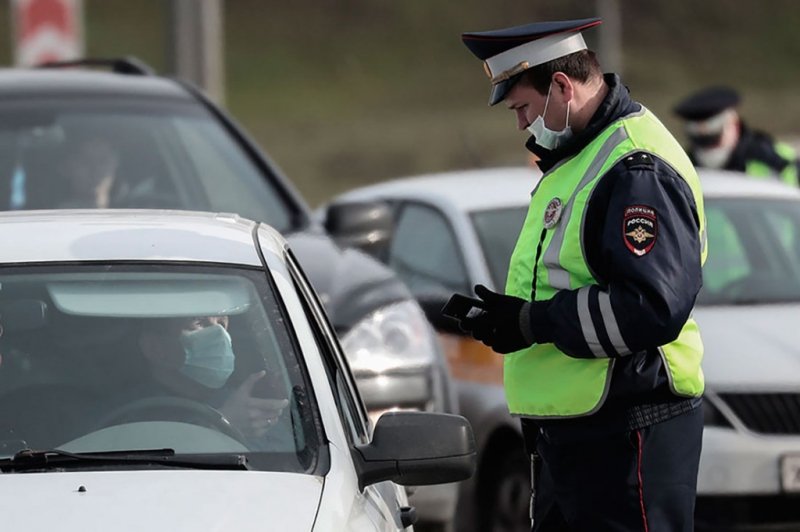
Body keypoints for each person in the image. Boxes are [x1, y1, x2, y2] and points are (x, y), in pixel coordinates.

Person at [457, 18, 706, 531]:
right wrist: (509, 319)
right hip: (578, 439)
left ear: (562, 87)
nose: (522, 124)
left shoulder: (635, 168)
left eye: (523, 107)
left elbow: (650, 307)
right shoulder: (579, 156)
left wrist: (533, 323)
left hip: (627, 434)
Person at [137, 315, 288, 440]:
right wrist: (222, 425)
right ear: (154, 347)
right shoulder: (132, 416)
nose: (220, 334)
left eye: (222, 323)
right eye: (199, 323)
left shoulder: (244, 404)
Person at [673, 85, 800, 186]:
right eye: (696, 132)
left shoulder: (776, 159)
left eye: (714, 131)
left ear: (733, 123)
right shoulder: (681, 168)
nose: (707, 144)